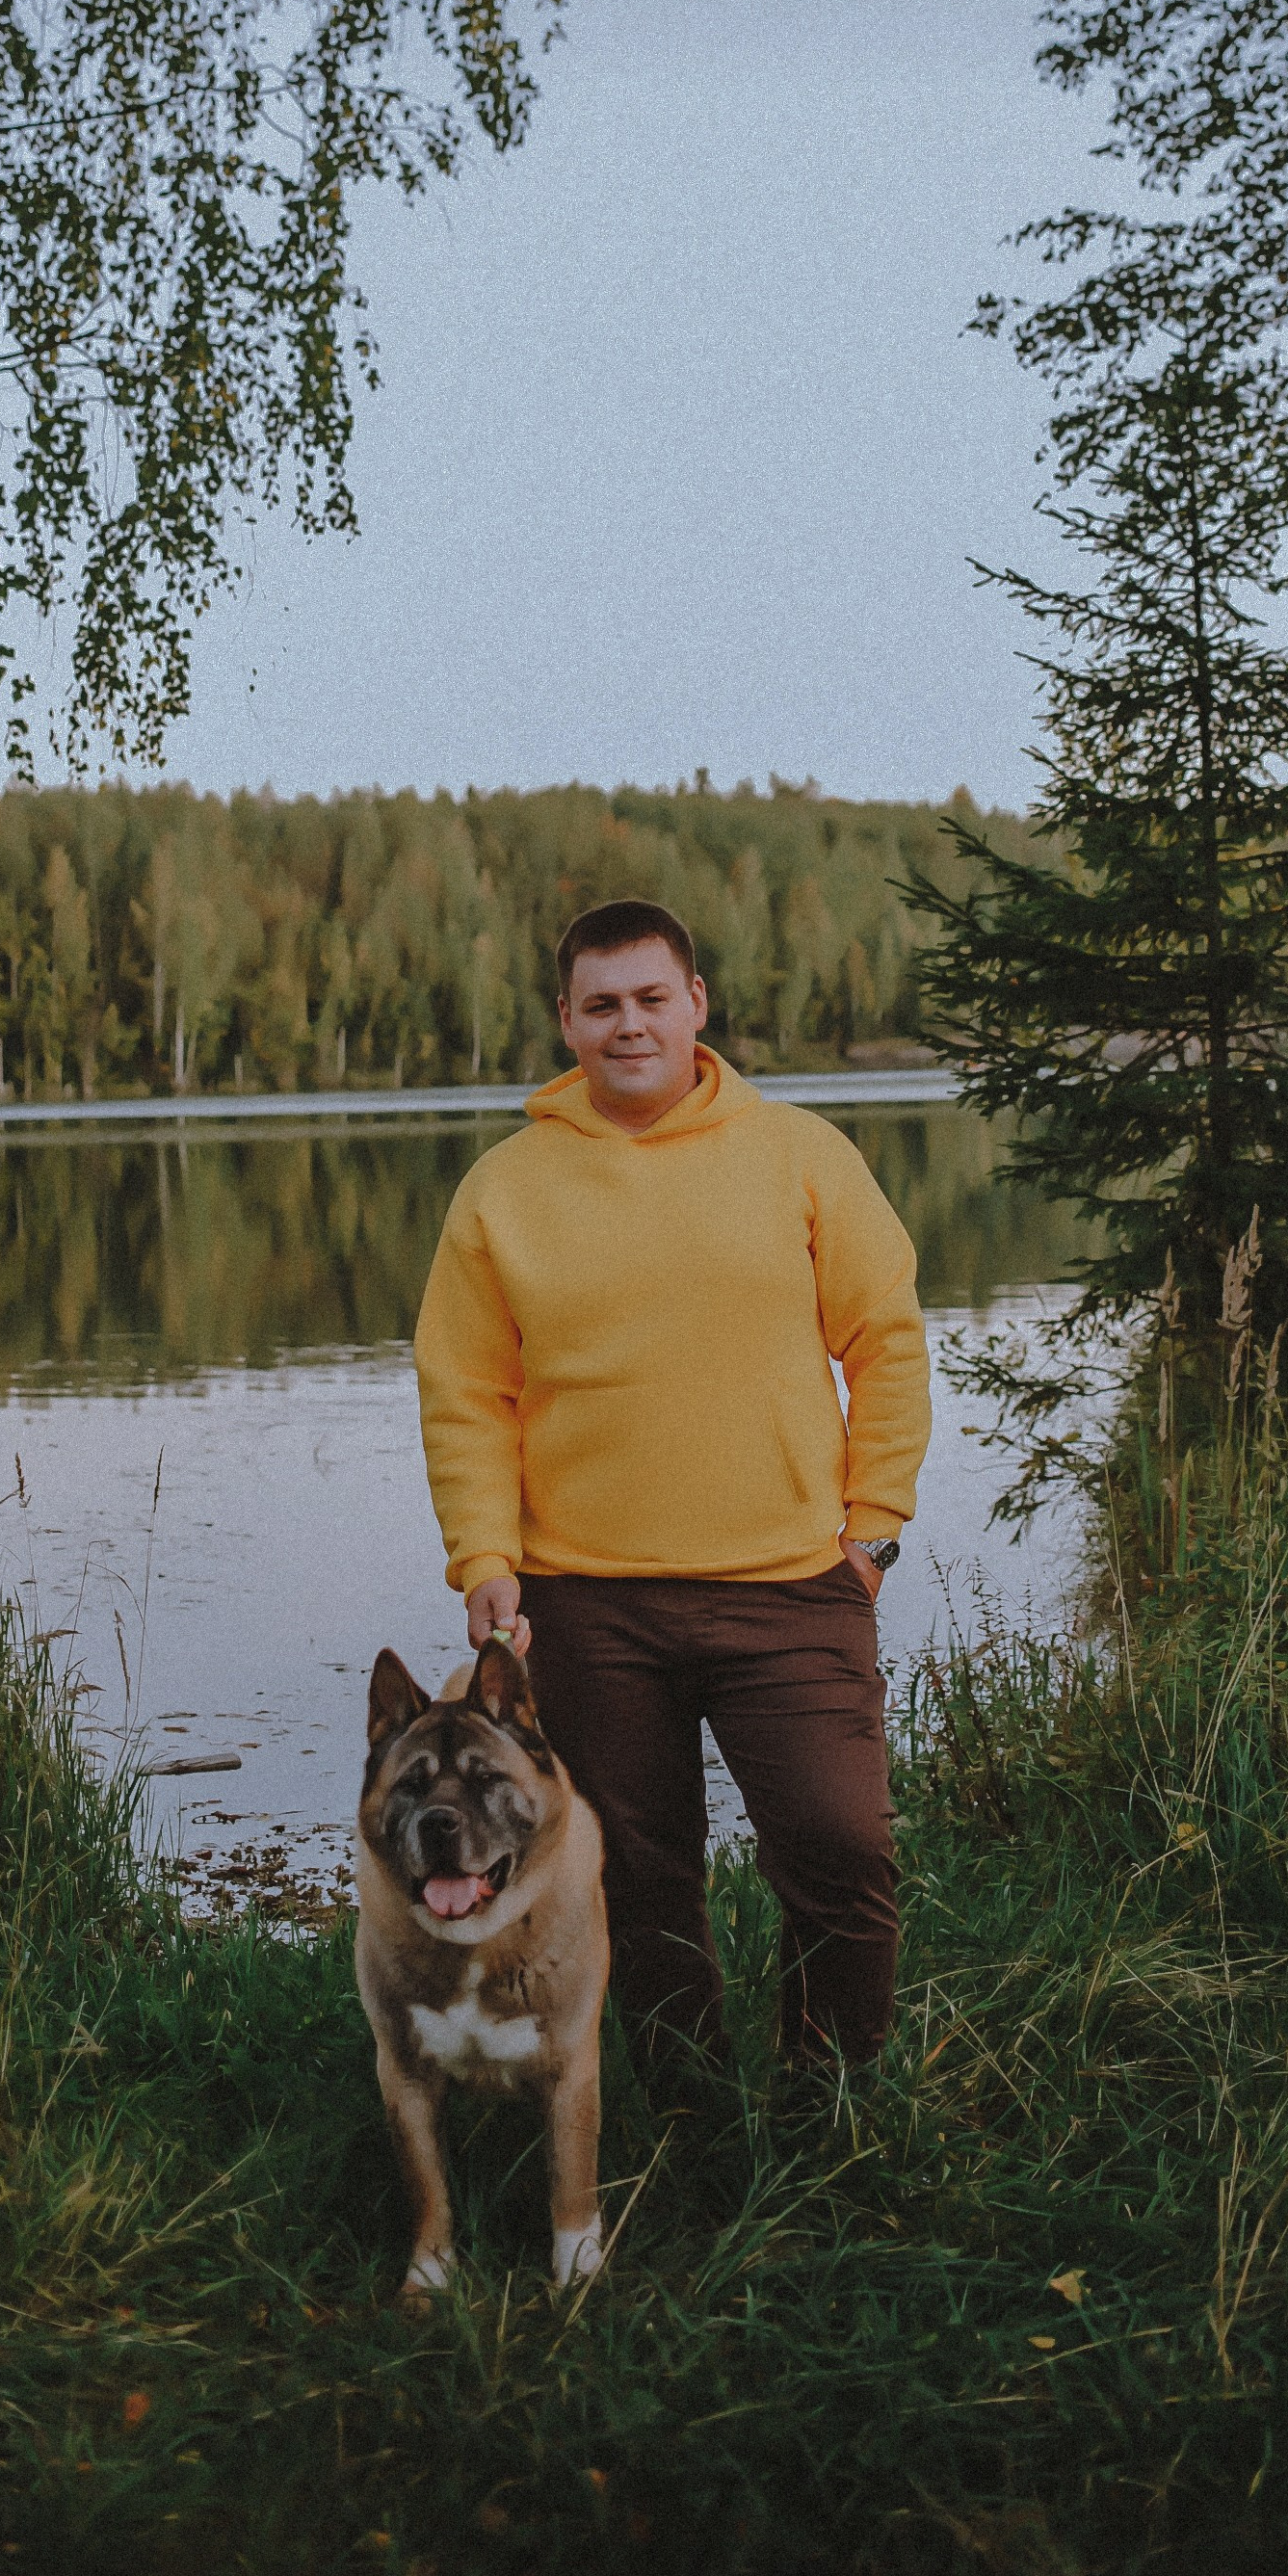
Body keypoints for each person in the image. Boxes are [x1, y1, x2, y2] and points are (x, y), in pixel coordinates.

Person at [411, 896, 933, 2099]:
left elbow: (886, 1341)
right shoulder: (503, 1188)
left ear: (697, 1003)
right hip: (587, 1601)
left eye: (652, 997)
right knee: (636, 1878)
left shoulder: (801, 1154)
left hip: (793, 1588)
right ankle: (692, 2113)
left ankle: (827, 2103)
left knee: (841, 1849)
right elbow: (466, 1392)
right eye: (601, 1004)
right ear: (566, 1021)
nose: (628, 1024)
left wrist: (874, 1528)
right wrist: (483, 1556)